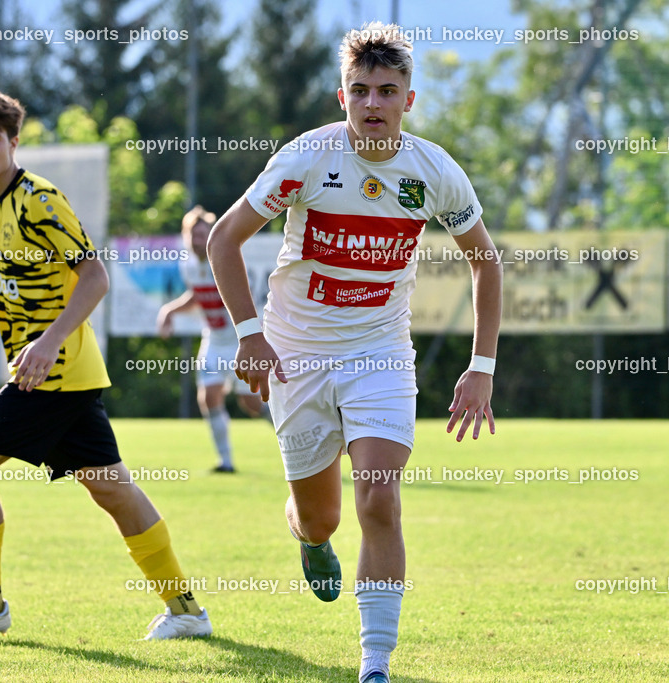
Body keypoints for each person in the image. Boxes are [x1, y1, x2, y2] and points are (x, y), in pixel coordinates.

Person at [207, 22, 502, 683]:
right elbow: (223, 239)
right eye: (360, 90)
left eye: (387, 91)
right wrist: (251, 335)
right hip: (297, 355)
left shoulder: (433, 172)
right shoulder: (306, 159)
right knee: (322, 516)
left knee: (378, 499)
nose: (373, 104)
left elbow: (486, 262)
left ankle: (375, 662)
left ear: (409, 100)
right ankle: (310, 542)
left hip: (381, 354)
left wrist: (481, 368)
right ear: (342, 98)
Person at [0, 86, 211, 641]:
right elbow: (8, 294)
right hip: (62, 377)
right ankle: (187, 612)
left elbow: (94, 276)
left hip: (50, 376)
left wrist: (49, 341)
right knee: (113, 489)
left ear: (14, 141)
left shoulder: (40, 199)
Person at [157, 205, 268, 473]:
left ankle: (291, 434)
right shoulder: (188, 265)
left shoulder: (225, 258)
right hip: (214, 341)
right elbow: (198, 295)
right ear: (186, 237)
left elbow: (241, 295)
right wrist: (169, 310)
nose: (198, 241)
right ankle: (226, 462)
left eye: (204, 235)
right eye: (194, 235)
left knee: (252, 403)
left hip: (240, 340)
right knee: (208, 397)